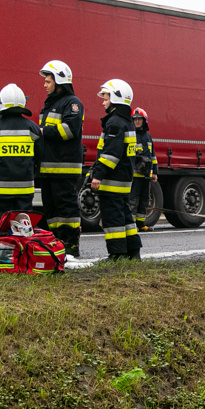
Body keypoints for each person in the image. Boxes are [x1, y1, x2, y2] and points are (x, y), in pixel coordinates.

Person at [0, 84, 43, 230]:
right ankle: (21, 252)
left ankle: (3, 251)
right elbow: (40, 156)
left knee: (2, 227)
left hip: (0, 190)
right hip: (25, 190)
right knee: (24, 228)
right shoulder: (32, 128)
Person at [91, 79, 141, 261]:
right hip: (124, 180)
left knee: (113, 219)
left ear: (115, 97)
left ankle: (117, 254)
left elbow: (111, 154)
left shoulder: (114, 122)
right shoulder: (126, 122)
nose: (103, 100)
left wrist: (97, 175)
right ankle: (133, 252)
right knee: (126, 218)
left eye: (105, 96)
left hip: (112, 181)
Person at [38, 60, 84, 257]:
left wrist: (41, 131)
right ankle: (56, 243)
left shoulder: (72, 103)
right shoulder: (50, 105)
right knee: (52, 208)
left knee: (66, 208)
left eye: (48, 81)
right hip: (48, 168)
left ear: (59, 81)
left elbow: (69, 130)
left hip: (64, 167)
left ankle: (71, 243)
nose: (45, 85)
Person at [131, 107, 158, 231]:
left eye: (139, 119)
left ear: (144, 121)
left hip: (146, 176)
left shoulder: (148, 137)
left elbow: (152, 156)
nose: (137, 122)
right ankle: (131, 225)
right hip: (134, 176)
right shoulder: (131, 135)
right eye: (135, 119)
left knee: (144, 200)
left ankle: (141, 224)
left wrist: (155, 172)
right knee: (133, 200)